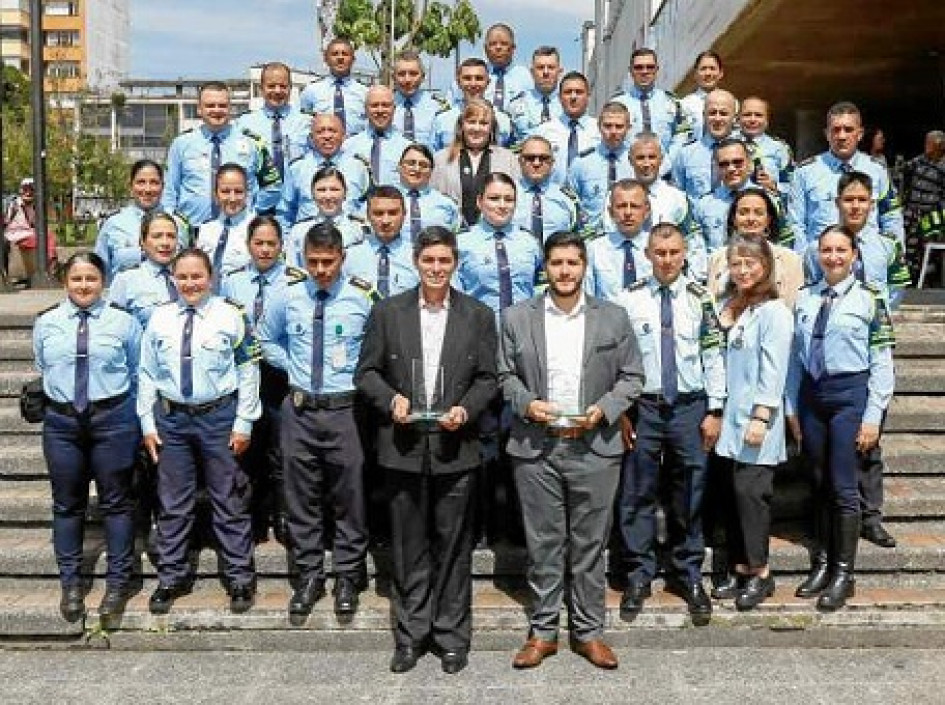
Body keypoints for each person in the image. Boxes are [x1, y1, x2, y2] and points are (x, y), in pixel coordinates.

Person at [355, 226, 498, 675]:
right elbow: (367, 372)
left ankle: (452, 636)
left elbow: (489, 378)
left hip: (456, 446)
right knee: (408, 547)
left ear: (455, 264)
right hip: (403, 446)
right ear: (416, 262)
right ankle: (411, 636)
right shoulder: (388, 312)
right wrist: (389, 400)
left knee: (453, 548)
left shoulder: (477, 314)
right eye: (429, 260)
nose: (437, 268)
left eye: (445, 261)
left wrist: (466, 409)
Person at [499, 230, 643, 670]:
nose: (564, 271)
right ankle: (543, 632)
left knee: (589, 545)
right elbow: (504, 376)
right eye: (556, 263)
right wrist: (528, 404)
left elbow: (633, 377)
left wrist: (605, 409)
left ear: (584, 266)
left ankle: (588, 631)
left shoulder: (612, 318)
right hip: (536, 447)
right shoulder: (515, 317)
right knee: (544, 543)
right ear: (545, 267)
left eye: (572, 263)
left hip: (594, 448)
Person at [256, 222, 374, 618]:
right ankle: (308, 575)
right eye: (313, 262)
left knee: (349, 497)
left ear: (342, 258)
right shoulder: (286, 296)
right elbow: (265, 338)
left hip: (345, 410)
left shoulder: (361, 299)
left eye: (328, 262)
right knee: (300, 496)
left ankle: (347, 576)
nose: (321, 270)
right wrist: (293, 366)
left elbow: (378, 347)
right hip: (301, 409)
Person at [138, 248, 261, 615]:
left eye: (197, 276)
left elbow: (248, 370)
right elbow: (146, 373)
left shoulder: (230, 315)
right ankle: (171, 577)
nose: (190, 283)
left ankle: (239, 578)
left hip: (219, 418)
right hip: (171, 421)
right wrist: (147, 422)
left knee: (229, 498)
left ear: (211, 277)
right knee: (173, 502)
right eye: (183, 277)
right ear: (173, 278)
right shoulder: (159, 318)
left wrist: (244, 421)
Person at [614, 223, 725, 620]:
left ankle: (688, 572)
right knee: (637, 490)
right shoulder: (629, 300)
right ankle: (638, 573)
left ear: (684, 253)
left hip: (689, 407)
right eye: (659, 253)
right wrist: (623, 412)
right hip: (643, 406)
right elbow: (619, 362)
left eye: (674, 252)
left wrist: (715, 410)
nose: (666, 260)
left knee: (690, 490)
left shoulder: (700, 299)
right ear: (647, 254)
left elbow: (713, 355)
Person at [786, 225, 895, 611]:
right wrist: (791, 408)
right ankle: (821, 562)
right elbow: (795, 359)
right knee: (817, 482)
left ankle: (844, 573)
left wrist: (872, 416)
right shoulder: (805, 298)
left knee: (844, 486)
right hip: (812, 396)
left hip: (850, 395)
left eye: (840, 250)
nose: (832, 257)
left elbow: (882, 362)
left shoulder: (871, 300)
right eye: (826, 250)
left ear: (854, 255)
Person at [33, 252, 142, 622]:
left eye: (91, 279)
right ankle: (71, 583)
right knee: (67, 504)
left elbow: (137, 371)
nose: (84, 286)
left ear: (103, 281)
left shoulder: (123, 324)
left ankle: (117, 583)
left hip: (112, 419)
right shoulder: (47, 322)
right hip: (63, 423)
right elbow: (44, 366)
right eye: (77, 279)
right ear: (66, 282)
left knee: (116, 502)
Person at [712, 235, 793, 611]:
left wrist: (762, 415)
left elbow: (775, 371)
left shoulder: (775, 312)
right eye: (736, 263)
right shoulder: (740, 308)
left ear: (766, 266)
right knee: (732, 498)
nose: (743, 270)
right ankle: (741, 567)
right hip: (732, 421)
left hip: (757, 421)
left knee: (752, 497)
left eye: (751, 263)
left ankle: (761, 573)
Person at [221, 214, 306, 545]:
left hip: (280, 375)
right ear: (248, 246)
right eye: (259, 243)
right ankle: (252, 515)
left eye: (272, 243)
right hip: (243, 376)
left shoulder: (296, 281)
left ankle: (283, 514)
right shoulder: (232, 281)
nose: (266, 249)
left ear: (282, 246)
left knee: (281, 448)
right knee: (247, 448)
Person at [161, 82, 280, 235]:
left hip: (238, 231)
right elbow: (169, 191)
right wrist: (172, 223)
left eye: (222, 105)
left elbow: (273, 185)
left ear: (230, 108)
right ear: (199, 109)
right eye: (210, 105)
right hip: (191, 230)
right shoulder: (181, 144)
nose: (216, 110)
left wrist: (252, 210)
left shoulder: (252, 143)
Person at [788, 101, 904, 254]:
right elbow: (795, 224)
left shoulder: (877, 171)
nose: (841, 136)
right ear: (827, 134)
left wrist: (892, 258)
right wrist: (804, 264)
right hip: (822, 264)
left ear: (860, 134)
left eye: (848, 129)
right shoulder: (805, 172)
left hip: (868, 262)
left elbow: (891, 218)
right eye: (836, 130)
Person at [706, 187, 805, 308]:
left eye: (758, 213)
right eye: (743, 212)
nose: (751, 219)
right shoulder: (717, 258)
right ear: (734, 219)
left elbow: (793, 308)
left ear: (768, 220)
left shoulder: (790, 260)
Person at [430, 98, 520, 228]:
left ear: (491, 128)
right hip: (451, 234)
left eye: (483, 123)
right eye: (471, 122)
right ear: (462, 125)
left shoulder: (508, 159)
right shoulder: (440, 159)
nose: (477, 128)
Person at [94, 160, 184, 282]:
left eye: (154, 182)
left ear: (163, 186)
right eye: (141, 182)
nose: (147, 189)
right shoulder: (113, 224)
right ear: (131, 185)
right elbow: (98, 271)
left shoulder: (178, 223)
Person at [277, 113, 371, 229]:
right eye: (320, 131)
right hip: (309, 240)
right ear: (311, 138)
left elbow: (368, 207)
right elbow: (284, 212)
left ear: (343, 136)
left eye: (332, 131)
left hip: (349, 239)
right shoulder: (297, 168)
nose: (327, 136)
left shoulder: (358, 167)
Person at [613, 48, 689, 170]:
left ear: (657, 69)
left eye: (650, 67)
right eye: (639, 67)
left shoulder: (673, 102)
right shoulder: (616, 104)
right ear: (630, 71)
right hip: (628, 173)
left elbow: (682, 134)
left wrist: (667, 163)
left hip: (665, 174)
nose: (644, 71)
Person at [237, 62, 312, 180]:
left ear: (290, 88)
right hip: (261, 196)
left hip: (296, 196)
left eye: (283, 86)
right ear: (261, 88)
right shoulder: (244, 124)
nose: (277, 91)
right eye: (271, 86)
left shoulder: (307, 123)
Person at [567, 102, 635, 232]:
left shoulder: (637, 160)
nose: (613, 131)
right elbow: (571, 205)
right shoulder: (581, 163)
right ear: (599, 126)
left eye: (619, 126)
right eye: (608, 126)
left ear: (628, 128)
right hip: (592, 238)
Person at [629, 132, 703, 248]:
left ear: (661, 159)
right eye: (640, 158)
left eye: (652, 157)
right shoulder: (615, 197)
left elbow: (689, 241)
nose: (646, 164)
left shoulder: (678, 198)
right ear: (630, 160)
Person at [109, 212, 182, 328]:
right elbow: (114, 330)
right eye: (157, 236)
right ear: (142, 242)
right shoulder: (126, 280)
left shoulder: (189, 278)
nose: (165, 243)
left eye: (171, 236)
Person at [343, 186, 419, 297]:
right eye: (378, 213)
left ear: (404, 214)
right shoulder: (349, 257)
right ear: (368, 216)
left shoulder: (418, 256)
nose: (385, 221)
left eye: (393, 213)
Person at [284, 166, 368, 268]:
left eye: (334, 190)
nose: (328, 196)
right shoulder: (299, 231)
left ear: (345, 193)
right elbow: (292, 270)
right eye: (321, 190)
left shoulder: (358, 230)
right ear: (312, 194)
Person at [585, 179, 654, 300]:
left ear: (646, 211)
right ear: (611, 212)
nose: (627, 212)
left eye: (634, 206)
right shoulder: (594, 250)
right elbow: (587, 298)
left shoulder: (658, 248)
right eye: (621, 206)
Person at [533, 71, 601, 185]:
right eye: (568, 92)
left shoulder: (600, 130)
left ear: (588, 95)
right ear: (559, 97)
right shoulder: (543, 131)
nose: (573, 97)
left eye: (579, 92)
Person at [195, 163, 255, 291]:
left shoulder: (257, 228)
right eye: (225, 191)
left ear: (247, 194)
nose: (232, 198)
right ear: (216, 195)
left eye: (238, 191)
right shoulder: (205, 229)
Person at [431, 58, 513, 150]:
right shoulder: (442, 120)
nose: (473, 84)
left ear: (488, 82)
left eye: (479, 78)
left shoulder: (503, 120)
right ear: (458, 82)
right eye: (467, 78)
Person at [672, 89, 739, 201]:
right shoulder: (685, 154)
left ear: (735, 118)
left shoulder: (745, 153)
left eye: (723, 113)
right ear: (704, 115)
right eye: (712, 113)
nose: (717, 119)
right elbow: (677, 196)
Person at [343, 85, 412, 188]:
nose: (380, 110)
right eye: (374, 105)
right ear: (365, 109)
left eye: (385, 105)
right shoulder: (348, 147)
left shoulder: (408, 148)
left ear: (394, 109)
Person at [514, 135, 581, 242]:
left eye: (543, 158)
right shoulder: (505, 194)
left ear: (552, 162)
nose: (536, 163)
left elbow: (578, 238)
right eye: (530, 158)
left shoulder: (568, 198)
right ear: (520, 160)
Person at [299, 37, 368, 136]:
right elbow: (303, 126)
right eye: (335, 54)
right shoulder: (311, 91)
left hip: (356, 149)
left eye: (345, 54)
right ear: (326, 59)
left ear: (353, 59)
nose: (340, 58)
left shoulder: (365, 93)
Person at [901, 130, 945, 280]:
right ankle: (908, 276)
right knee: (907, 245)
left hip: (929, 213)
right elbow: (904, 168)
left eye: (929, 143)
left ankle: (924, 278)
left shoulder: (943, 165)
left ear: (938, 145)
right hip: (911, 210)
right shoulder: (920, 160)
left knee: (925, 247)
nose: (926, 145)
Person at [395, 143, 461, 241]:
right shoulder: (384, 200)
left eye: (423, 165)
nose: (417, 169)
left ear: (431, 171)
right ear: (399, 167)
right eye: (411, 163)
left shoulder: (447, 204)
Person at [737, 96, 794, 204]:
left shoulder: (780, 148)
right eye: (747, 115)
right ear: (738, 118)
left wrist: (774, 185)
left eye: (758, 115)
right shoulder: (726, 146)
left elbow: (793, 186)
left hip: (767, 209)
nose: (752, 120)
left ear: (767, 120)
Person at [508, 46, 564, 147]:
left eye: (551, 67)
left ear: (559, 71)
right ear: (532, 72)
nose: (546, 72)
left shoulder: (568, 104)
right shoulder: (516, 104)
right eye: (540, 67)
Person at [392, 49, 449, 149]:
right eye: (401, 74)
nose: (407, 80)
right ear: (393, 77)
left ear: (422, 77)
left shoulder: (438, 107)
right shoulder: (384, 107)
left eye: (413, 74)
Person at [482, 23, 533, 113]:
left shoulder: (526, 76)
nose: (498, 47)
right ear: (485, 49)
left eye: (504, 44)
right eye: (493, 44)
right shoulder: (475, 76)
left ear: (513, 48)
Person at [680, 52, 725, 140]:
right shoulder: (684, 105)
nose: (708, 73)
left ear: (721, 73)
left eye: (712, 68)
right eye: (703, 69)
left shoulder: (732, 103)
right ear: (695, 74)